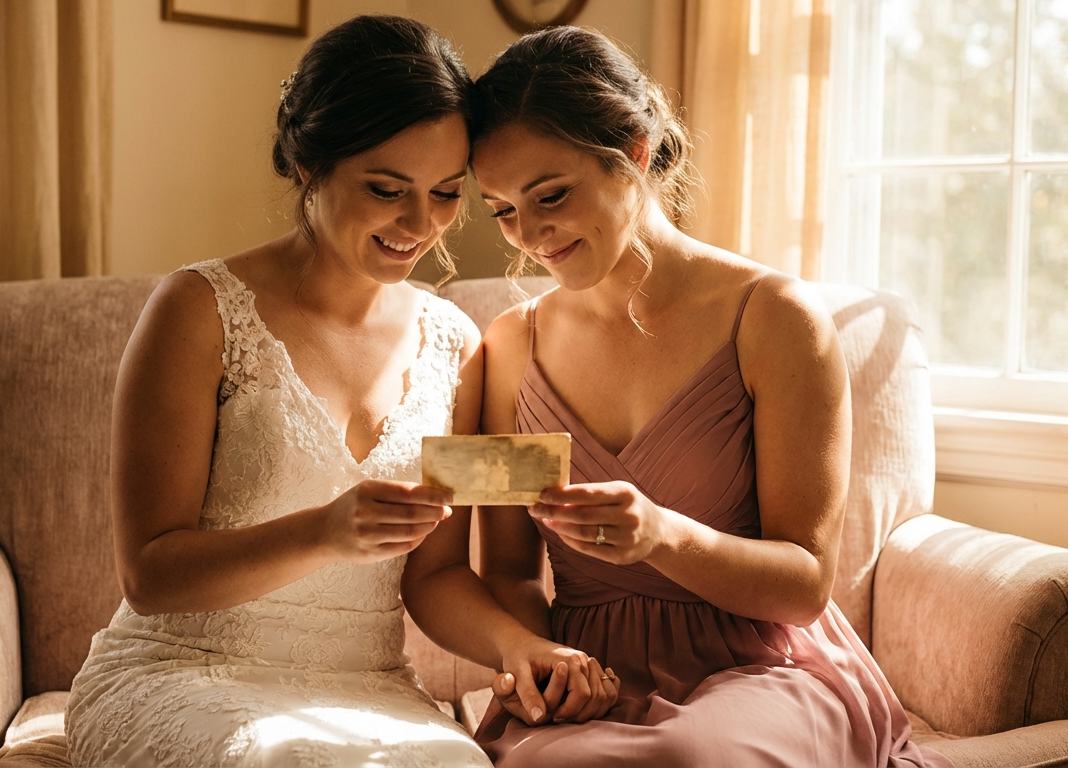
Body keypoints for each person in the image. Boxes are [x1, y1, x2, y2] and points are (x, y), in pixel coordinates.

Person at [405, 26, 953, 767]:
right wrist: (546, 659)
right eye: (502, 209)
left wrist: (663, 535)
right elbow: (506, 571)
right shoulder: (508, 350)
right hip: (589, 673)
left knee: (690, 758)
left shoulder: (775, 320)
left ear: (633, 149)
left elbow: (804, 585)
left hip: (761, 667)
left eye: (552, 195)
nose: (529, 234)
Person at [66, 16, 495, 767]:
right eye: (387, 189)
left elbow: (439, 577)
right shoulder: (199, 309)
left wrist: (528, 651)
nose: (420, 223)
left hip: (365, 686)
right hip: (179, 672)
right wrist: (323, 533)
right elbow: (150, 575)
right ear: (309, 164)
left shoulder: (456, 344)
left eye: (447, 192)